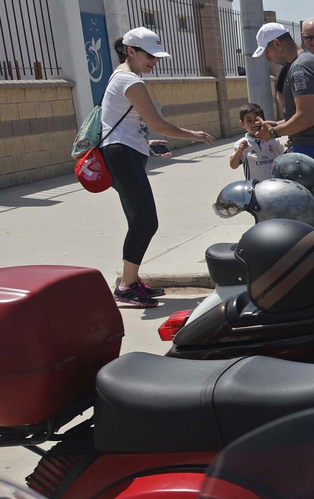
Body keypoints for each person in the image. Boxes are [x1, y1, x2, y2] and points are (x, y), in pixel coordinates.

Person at [98, 27, 215, 307]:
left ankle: (131, 281)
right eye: (150, 55)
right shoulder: (131, 81)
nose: (155, 60)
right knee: (146, 221)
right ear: (131, 51)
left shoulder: (123, 77)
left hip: (123, 153)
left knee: (139, 221)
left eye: (157, 56)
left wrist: (146, 142)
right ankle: (126, 287)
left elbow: (129, 125)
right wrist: (194, 135)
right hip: (121, 155)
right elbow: (159, 122)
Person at [254, 23, 314, 171]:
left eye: (267, 52)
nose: (268, 58)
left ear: (277, 44)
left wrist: (272, 133)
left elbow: (306, 118)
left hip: (313, 149)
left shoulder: (300, 68)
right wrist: (276, 124)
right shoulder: (308, 60)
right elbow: (310, 113)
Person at [229, 103, 283, 183]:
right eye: (249, 120)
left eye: (257, 120)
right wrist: (239, 151)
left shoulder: (272, 140)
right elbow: (233, 165)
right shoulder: (242, 143)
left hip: (274, 185)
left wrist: (289, 146)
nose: (254, 124)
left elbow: (285, 155)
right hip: (254, 187)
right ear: (242, 124)